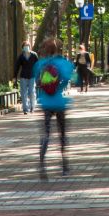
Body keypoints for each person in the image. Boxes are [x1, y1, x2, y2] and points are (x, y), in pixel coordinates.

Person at [34, 38, 74, 178]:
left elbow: (37, 82)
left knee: (45, 134)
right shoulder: (64, 64)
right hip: (59, 103)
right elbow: (74, 79)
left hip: (45, 104)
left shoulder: (40, 64)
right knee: (62, 134)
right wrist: (60, 86)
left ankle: (42, 165)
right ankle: (64, 166)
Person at [14, 43, 39, 114]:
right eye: (25, 46)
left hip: (32, 76)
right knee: (23, 93)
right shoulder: (21, 56)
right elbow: (17, 66)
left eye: (27, 46)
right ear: (22, 48)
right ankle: (25, 109)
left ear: (30, 47)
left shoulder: (34, 55)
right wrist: (14, 76)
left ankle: (32, 107)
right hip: (23, 76)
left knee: (32, 92)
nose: (26, 47)